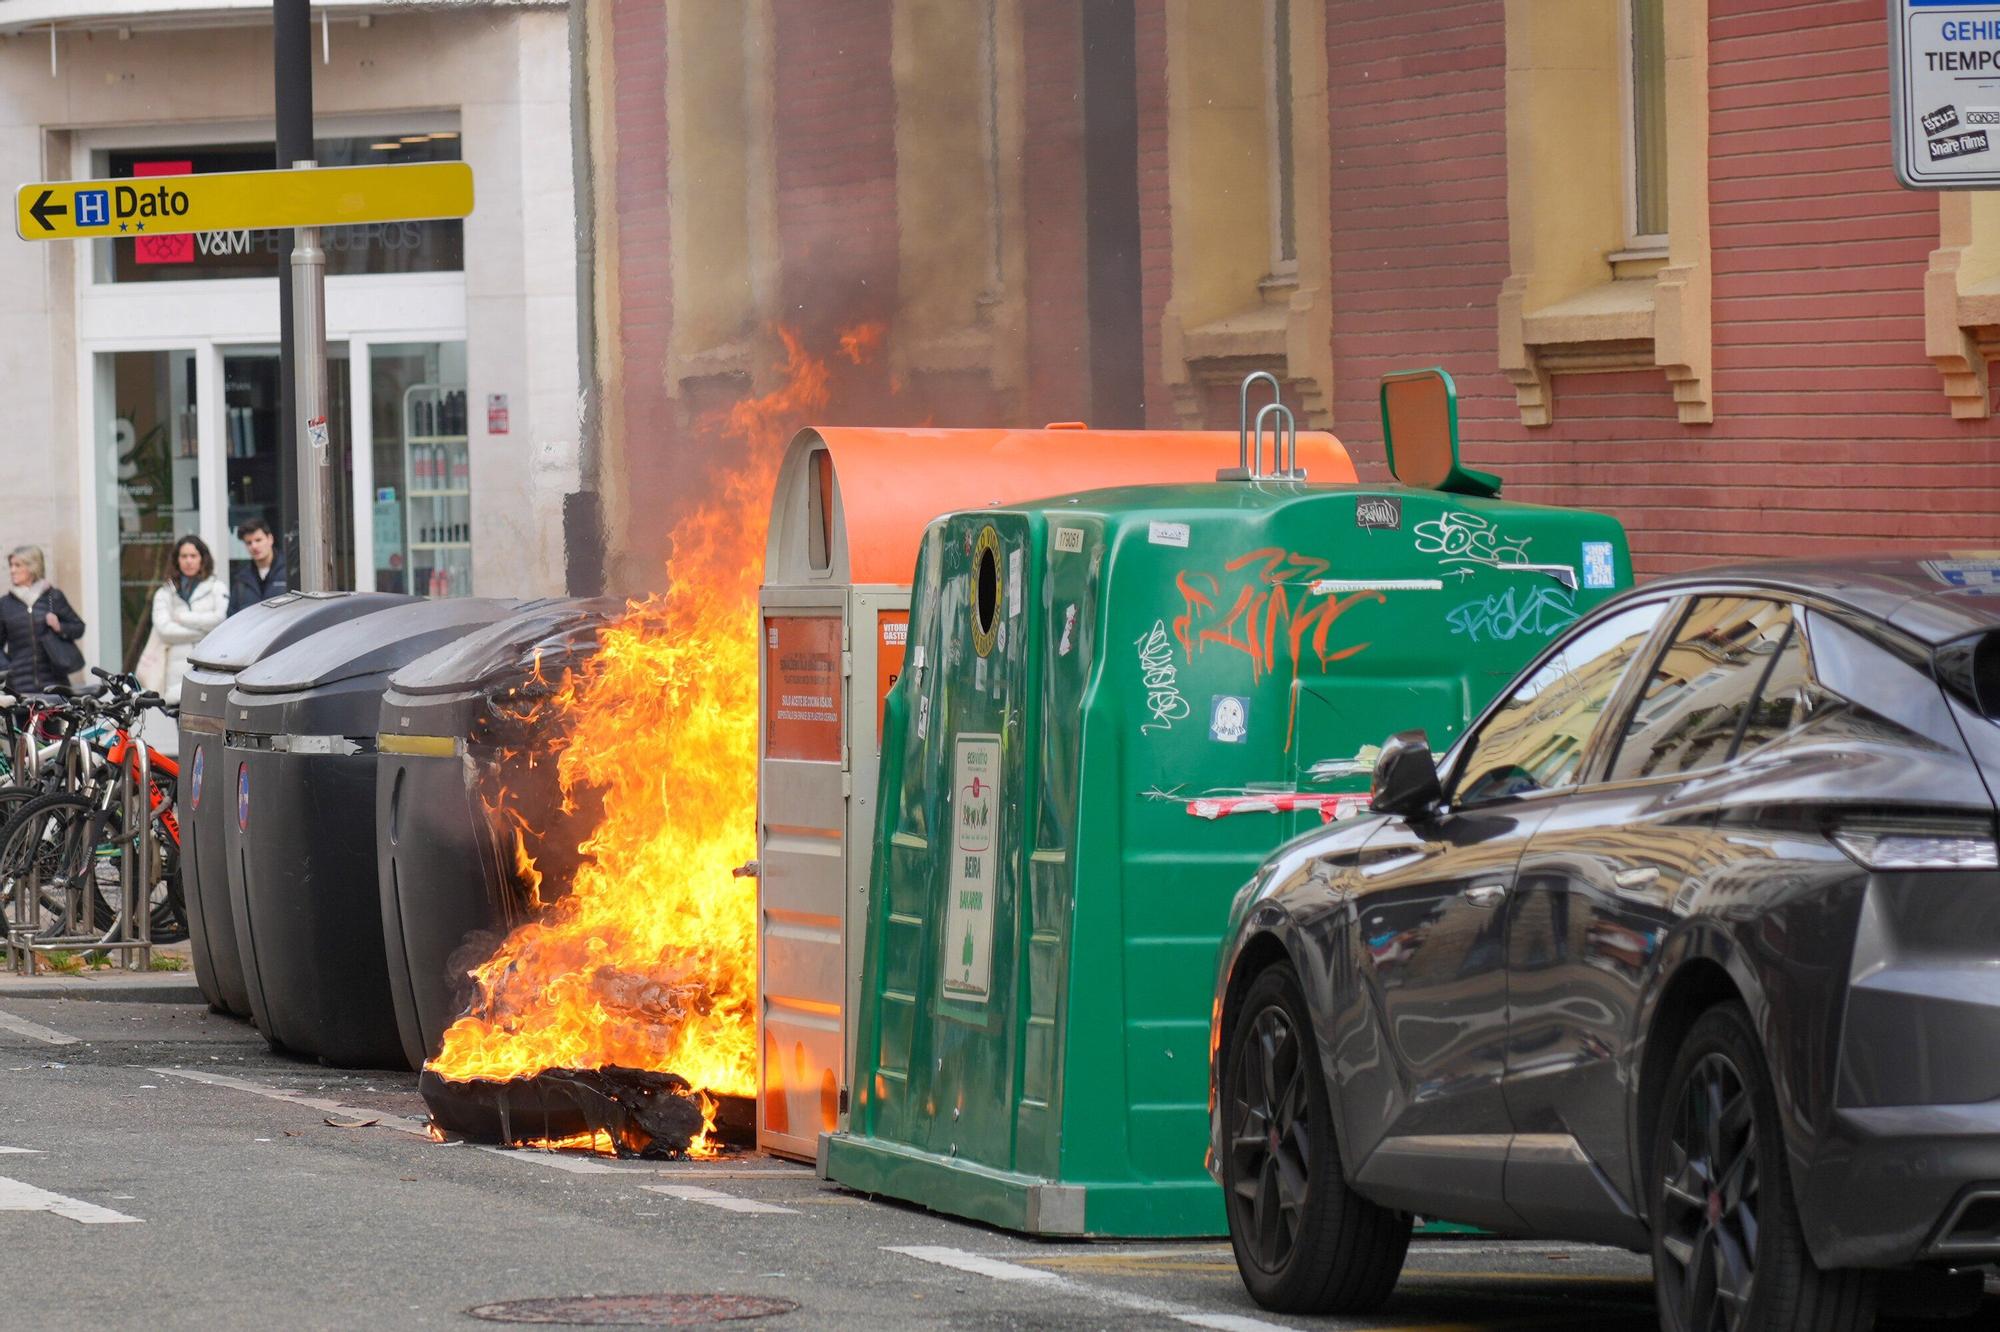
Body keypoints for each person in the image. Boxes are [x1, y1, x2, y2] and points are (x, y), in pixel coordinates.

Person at [137, 534, 228, 706]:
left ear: (203, 558)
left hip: (208, 669)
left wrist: (182, 618)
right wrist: (204, 631)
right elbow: (165, 631)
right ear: (176, 560)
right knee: (180, 725)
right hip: (175, 674)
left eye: (193, 556)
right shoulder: (165, 593)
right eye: (184, 556)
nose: (188, 561)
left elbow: (219, 620)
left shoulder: (217, 587)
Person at [0, 544, 86, 696]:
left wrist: (59, 627)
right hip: (19, 689)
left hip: (54, 686)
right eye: (11, 565)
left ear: (32, 566)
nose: (12, 570)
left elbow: (78, 627)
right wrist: (8, 669)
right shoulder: (5, 604)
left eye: (17, 565)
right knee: (24, 721)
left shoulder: (53, 597)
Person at [228, 517, 289, 614]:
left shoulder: (289, 572)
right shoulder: (241, 579)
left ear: (270, 539)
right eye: (249, 543)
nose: (254, 546)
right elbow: (232, 615)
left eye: (258, 540)